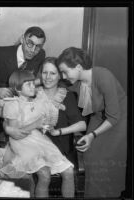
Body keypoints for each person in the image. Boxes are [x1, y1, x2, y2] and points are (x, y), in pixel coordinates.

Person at [4, 57, 87, 197]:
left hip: (58, 146)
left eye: (53, 73)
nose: (48, 77)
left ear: (60, 75)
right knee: (44, 175)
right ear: (40, 74)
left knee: (68, 173)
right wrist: (7, 128)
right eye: (45, 72)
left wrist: (59, 132)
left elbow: (82, 124)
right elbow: (11, 113)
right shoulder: (31, 91)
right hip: (29, 145)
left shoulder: (67, 96)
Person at [0, 69, 76, 197]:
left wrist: (54, 111)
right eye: (28, 84)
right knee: (45, 174)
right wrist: (35, 124)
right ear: (18, 89)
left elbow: (45, 112)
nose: (33, 86)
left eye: (33, 83)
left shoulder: (35, 100)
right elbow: (16, 134)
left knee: (68, 170)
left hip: (38, 140)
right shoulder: (12, 104)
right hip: (22, 143)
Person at [56, 47, 127, 198]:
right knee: (90, 155)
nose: (63, 76)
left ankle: (109, 194)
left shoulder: (103, 76)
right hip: (99, 116)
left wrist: (92, 135)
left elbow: (114, 116)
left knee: (106, 159)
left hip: (119, 119)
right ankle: (92, 194)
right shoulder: (77, 80)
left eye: (65, 72)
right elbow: (51, 81)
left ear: (79, 67)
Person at [0, 26, 46, 173]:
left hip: (17, 106)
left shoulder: (40, 55)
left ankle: (13, 176)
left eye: (38, 46)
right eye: (30, 44)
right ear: (22, 39)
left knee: (16, 141)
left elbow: (27, 79)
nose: (33, 50)